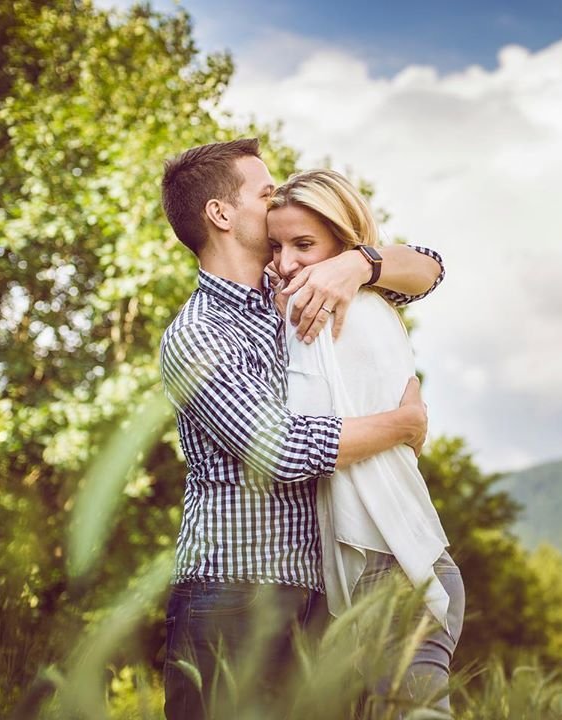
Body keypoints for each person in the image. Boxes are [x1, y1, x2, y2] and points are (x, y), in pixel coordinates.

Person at [157, 139, 445, 720]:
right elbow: (281, 449)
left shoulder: (296, 287)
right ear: (221, 214)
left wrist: (360, 262)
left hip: (316, 593)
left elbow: (431, 269)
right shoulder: (197, 335)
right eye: (265, 193)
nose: (278, 201)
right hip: (232, 593)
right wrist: (402, 423)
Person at [267, 169, 464, 714]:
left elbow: (295, 443)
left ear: (342, 239)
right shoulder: (313, 301)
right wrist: (401, 426)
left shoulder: (341, 305)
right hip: (382, 560)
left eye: (305, 244)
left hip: (395, 563)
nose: (286, 263)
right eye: (276, 246)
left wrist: (358, 263)